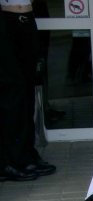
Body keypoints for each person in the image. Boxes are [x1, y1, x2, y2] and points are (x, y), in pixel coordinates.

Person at [0, 0, 56, 181]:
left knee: (27, 90)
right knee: (13, 91)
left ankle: (26, 153)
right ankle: (10, 160)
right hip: (6, 18)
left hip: (25, 17)